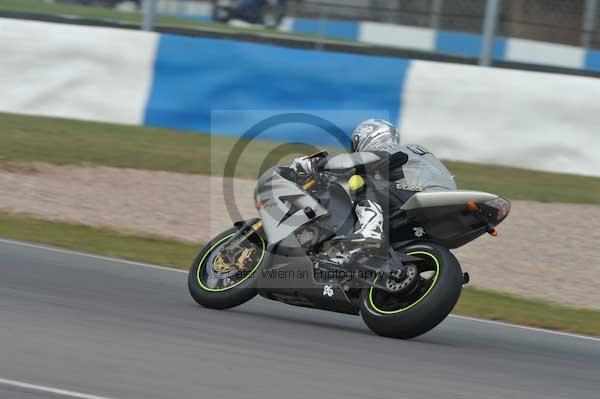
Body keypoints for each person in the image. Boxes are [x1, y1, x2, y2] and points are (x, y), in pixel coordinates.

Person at [292, 119, 456, 246]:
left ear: (367, 137)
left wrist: (315, 163)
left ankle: (370, 232)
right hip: (444, 206)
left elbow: (345, 164)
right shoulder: (411, 155)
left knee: (360, 181)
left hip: (423, 195)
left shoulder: (389, 149)